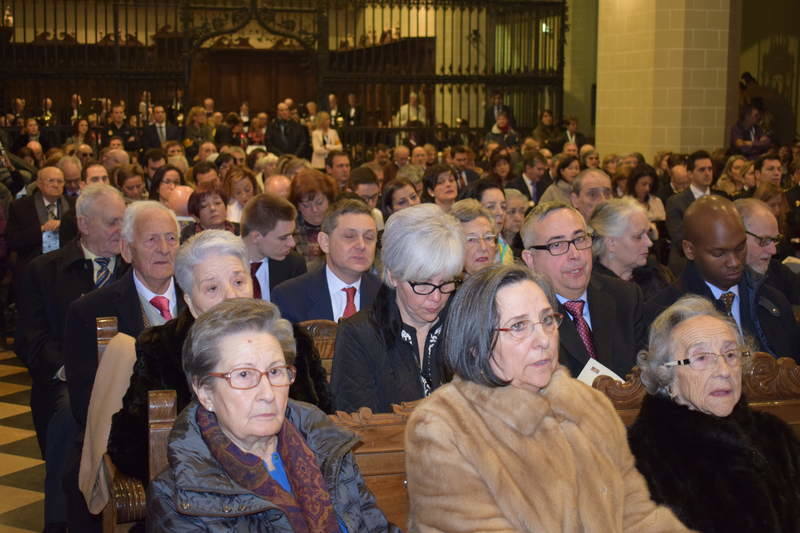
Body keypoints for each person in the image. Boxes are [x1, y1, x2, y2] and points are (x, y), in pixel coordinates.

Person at [405, 264, 689, 532]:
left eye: (546, 320)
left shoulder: (588, 404)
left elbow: (638, 517)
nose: (543, 339)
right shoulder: (443, 427)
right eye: (518, 326)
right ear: (474, 345)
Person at [147, 298, 399, 532]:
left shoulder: (327, 448)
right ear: (204, 392)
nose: (267, 393)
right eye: (244, 375)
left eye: (276, 371)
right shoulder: (176, 496)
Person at [629, 295, 800, 533]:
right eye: (701, 358)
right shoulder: (639, 457)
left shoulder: (775, 436)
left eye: (731, 355)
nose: (723, 371)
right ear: (666, 374)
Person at [61, 200, 183, 531]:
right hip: (128, 447)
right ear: (126, 251)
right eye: (151, 240)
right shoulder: (89, 312)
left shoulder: (201, 299)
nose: (164, 249)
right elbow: (89, 406)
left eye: (171, 238)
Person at [16, 184, 127, 532]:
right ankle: (61, 522)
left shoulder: (134, 268)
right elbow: (31, 341)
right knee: (69, 415)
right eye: (112, 223)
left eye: (124, 222)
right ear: (83, 224)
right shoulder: (45, 271)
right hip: (66, 377)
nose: (120, 231)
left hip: (129, 375)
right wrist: (76, 369)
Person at [331, 204, 464, 413]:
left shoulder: (463, 325)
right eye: (423, 283)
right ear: (393, 276)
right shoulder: (359, 334)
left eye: (446, 282)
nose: (437, 297)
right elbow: (358, 428)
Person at [646, 195, 799, 362]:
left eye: (740, 248)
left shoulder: (774, 302)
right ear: (689, 250)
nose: (734, 262)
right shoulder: (663, 313)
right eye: (719, 253)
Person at [521, 202, 646, 378]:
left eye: (579, 239)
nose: (575, 254)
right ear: (530, 259)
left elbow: (645, 374)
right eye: (557, 245)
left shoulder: (625, 297)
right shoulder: (524, 317)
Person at [272, 199, 381, 323]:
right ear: (325, 242)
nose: (361, 245)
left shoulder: (387, 295)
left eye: (369, 237)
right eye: (350, 236)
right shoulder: (289, 296)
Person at [590, 198, 673, 299]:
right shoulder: (592, 292)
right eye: (638, 236)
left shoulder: (656, 274)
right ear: (611, 243)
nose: (649, 243)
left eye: (647, 234)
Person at [241, 193, 307, 302]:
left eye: (292, 234)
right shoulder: (222, 263)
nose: (292, 243)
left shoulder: (294, 264)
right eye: (283, 238)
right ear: (256, 237)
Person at [735, 198, 800, 305]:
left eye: (774, 240)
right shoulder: (717, 287)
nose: (773, 250)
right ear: (737, 237)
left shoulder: (777, 271)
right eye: (764, 240)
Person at [665, 150, 720, 274]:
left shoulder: (721, 199)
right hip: (685, 262)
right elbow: (680, 239)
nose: (707, 173)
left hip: (717, 261)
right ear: (690, 174)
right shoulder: (675, 202)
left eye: (710, 169)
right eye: (702, 170)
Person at [289, 168, 337, 271]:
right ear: (297, 206)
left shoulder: (339, 222)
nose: (314, 210)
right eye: (306, 205)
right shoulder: (289, 230)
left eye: (319, 203)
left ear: (329, 199)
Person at [450, 199, 498, 276]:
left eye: (488, 238)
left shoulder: (505, 285)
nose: (483, 248)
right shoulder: (444, 286)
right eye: (471, 239)